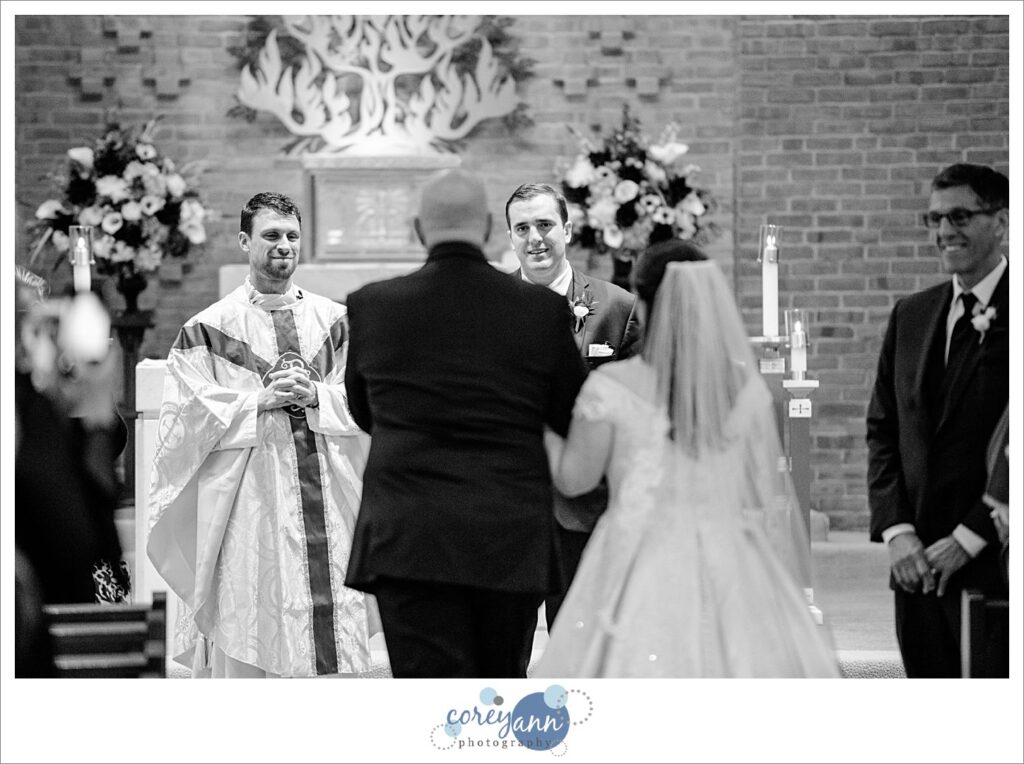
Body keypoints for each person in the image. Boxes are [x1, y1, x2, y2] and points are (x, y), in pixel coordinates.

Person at [535, 245, 839, 677]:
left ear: (642, 301)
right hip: (729, 558)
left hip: (637, 563)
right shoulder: (746, 391)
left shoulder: (614, 385)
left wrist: (537, 424)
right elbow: (760, 488)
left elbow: (574, 480)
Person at [344, 169, 587, 678]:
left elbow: (363, 411)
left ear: (417, 230)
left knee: (425, 695)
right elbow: (570, 413)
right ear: (488, 229)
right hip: (508, 532)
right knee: (498, 688)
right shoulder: (540, 310)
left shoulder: (372, 306)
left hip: (409, 533)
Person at [147, 191, 376, 678]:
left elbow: (371, 398)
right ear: (244, 240)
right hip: (249, 505)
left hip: (329, 506)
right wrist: (258, 402)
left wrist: (318, 396)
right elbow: (182, 420)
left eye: (292, 236)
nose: (283, 246)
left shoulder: (336, 323)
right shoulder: (206, 329)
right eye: (271, 235)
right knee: (251, 624)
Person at [867, 163, 1009, 678]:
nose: (945, 231)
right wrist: (898, 531)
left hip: (995, 562)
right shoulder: (913, 314)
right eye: (934, 219)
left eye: (960, 216)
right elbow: (883, 429)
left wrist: (970, 538)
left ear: (1001, 220)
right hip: (916, 567)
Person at [505, 183, 642, 630]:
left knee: (578, 650)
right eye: (522, 228)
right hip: (508, 507)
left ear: (566, 228)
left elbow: (635, 414)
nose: (534, 238)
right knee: (502, 656)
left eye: (544, 225)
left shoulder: (617, 308)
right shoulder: (486, 308)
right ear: (510, 237)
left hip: (585, 507)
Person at [15, 266, 129, 607]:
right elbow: (77, 540)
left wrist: (95, 411)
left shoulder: (41, 410)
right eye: (27, 324)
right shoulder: (30, 412)